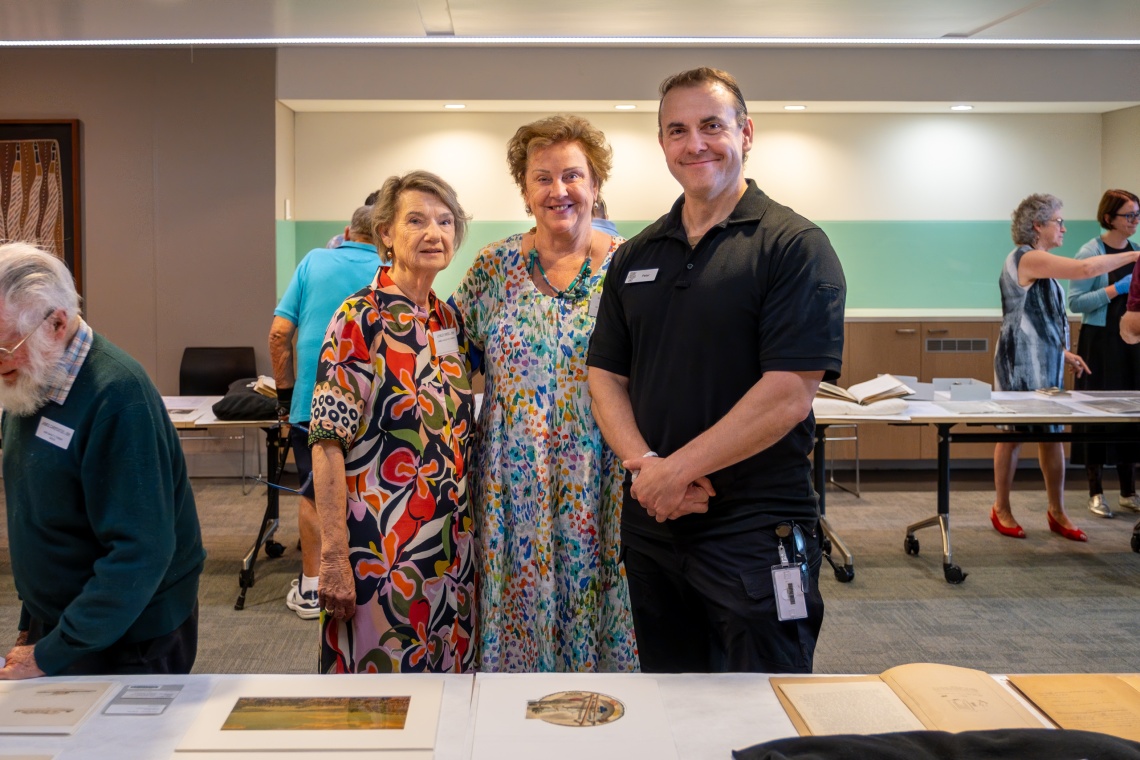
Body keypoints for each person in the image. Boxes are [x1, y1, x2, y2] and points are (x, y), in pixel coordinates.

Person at [587, 67, 846, 673]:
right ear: (662, 145)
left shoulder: (793, 246)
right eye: (677, 130)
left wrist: (677, 471)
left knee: (765, 705)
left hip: (755, 529)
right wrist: (649, 470)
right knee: (670, 699)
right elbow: (605, 376)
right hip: (654, 522)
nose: (694, 143)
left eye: (711, 125)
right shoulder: (637, 255)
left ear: (746, 132)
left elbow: (788, 395)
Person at [453, 115, 638, 672]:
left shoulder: (632, 265)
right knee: (520, 601)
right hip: (515, 479)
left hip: (601, 472)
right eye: (543, 178)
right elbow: (453, 359)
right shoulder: (494, 267)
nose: (559, 191)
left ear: (596, 185)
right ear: (525, 190)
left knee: (604, 590)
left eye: (573, 176)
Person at [0, 242, 204, 679]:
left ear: (56, 323)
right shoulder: (29, 380)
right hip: (68, 622)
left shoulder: (117, 396)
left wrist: (50, 654)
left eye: (4, 349)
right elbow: (38, 518)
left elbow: (141, 552)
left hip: (132, 634)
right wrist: (31, 625)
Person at [310, 171, 476, 673]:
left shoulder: (448, 320)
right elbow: (325, 442)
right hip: (381, 553)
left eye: (446, 221)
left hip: (450, 549)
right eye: (417, 220)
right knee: (381, 698)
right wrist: (333, 556)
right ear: (385, 232)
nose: (434, 233)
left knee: (448, 696)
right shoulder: (358, 318)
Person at [992, 194, 1140, 542]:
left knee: (1051, 437)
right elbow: (1087, 270)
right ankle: (1001, 508)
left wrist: (1063, 352)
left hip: (1047, 360)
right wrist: (1136, 255)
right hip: (1019, 363)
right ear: (1037, 226)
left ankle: (1057, 511)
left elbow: (1043, 316)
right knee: (1013, 436)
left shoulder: (1044, 262)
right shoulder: (1026, 258)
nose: (1064, 227)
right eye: (1058, 221)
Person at [269, 205, 381, 618]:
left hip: (310, 404)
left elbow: (280, 333)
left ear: (347, 232)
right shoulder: (389, 269)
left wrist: (284, 399)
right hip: (373, 408)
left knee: (315, 494)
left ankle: (313, 587)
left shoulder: (314, 260)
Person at [1067, 189, 1140, 519]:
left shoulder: (1137, 252)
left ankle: (1128, 490)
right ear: (1109, 218)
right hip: (1099, 340)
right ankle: (1095, 492)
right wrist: (1114, 290)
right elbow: (1076, 303)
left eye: (1138, 214)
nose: (1135, 221)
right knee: (1095, 414)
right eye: (1129, 215)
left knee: (1130, 414)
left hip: (1131, 343)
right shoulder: (1090, 252)